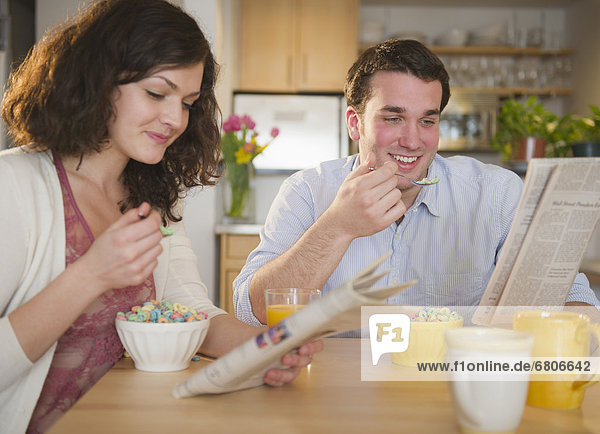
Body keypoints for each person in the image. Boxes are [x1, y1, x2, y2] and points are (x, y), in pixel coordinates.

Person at [0, 1, 322, 432]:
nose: (175, 119)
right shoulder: (14, 185)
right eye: (156, 93)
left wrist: (267, 347)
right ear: (98, 81)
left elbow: (188, 311)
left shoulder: (153, 195)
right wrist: (92, 274)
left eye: (188, 102)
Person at [233, 38, 599, 329]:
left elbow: (575, 299)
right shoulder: (306, 193)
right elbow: (253, 311)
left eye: (427, 121)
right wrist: (337, 227)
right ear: (355, 123)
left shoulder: (497, 195)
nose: (412, 141)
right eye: (393, 118)